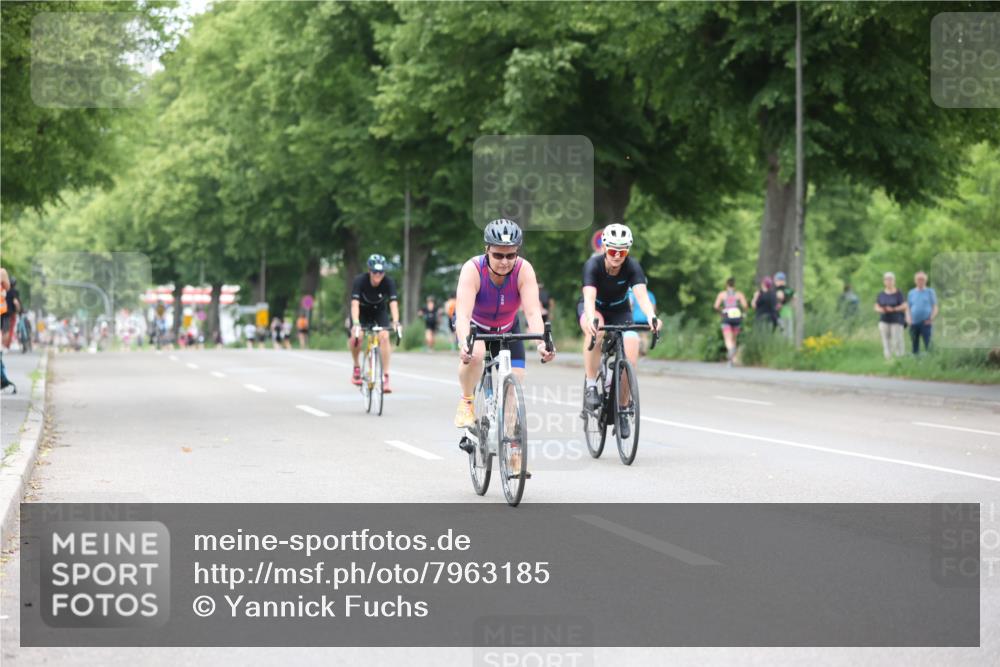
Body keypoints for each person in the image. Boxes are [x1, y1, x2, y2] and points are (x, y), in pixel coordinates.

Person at [454, 219, 555, 473]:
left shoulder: (524, 270)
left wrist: (541, 342)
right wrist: (464, 343)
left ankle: (513, 452)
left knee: (515, 384)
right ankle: (466, 402)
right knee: (475, 355)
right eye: (498, 254)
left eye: (511, 255)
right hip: (477, 328)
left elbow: (532, 313)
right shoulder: (472, 269)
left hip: (508, 329)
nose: (504, 261)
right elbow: (463, 315)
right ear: (487, 249)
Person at [579, 223, 659, 440]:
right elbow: (588, 299)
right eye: (612, 251)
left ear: (627, 252)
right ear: (604, 247)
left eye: (621, 252)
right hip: (595, 307)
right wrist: (591, 318)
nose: (616, 256)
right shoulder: (593, 265)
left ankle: (623, 409)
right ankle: (591, 384)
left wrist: (652, 317)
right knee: (596, 333)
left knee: (631, 344)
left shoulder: (632, 266)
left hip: (620, 310)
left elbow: (641, 296)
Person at [349, 254, 401, 393]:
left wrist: (396, 321)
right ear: (369, 271)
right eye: (374, 272)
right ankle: (356, 367)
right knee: (357, 337)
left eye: (381, 272)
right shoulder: (360, 281)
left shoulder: (388, 282)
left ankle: (385, 377)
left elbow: (393, 303)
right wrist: (356, 323)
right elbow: (354, 304)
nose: (378, 275)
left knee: (384, 336)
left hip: (379, 311)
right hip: (362, 311)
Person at [714, 277, 749, 366]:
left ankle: (730, 350)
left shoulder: (722, 294)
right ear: (734, 285)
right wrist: (743, 313)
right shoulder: (739, 294)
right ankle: (732, 360)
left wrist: (721, 311)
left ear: (726, 285)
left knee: (728, 339)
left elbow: (716, 306)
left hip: (726, 317)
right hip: (736, 317)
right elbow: (745, 305)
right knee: (734, 339)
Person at [875, 271, 906, 360]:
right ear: (884, 281)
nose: (889, 281)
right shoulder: (881, 294)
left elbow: (904, 305)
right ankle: (888, 359)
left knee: (896, 341)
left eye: (890, 279)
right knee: (886, 341)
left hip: (896, 320)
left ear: (894, 281)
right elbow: (876, 306)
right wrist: (881, 309)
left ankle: (899, 359)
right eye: (887, 279)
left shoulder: (898, 293)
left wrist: (894, 309)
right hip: (884, 320)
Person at [906, 270, 938, 355]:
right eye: (918, 279)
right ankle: (915, 363)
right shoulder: (911, 293)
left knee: (928, 344)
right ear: (915, 280)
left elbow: (935, 307)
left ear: (925, 280)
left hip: (926, 322)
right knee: (914, 344)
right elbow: (908, 308)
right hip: (913, 323)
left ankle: (932, 361)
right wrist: (908, 319)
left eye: (922, 279)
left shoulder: (930, 292)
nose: (920, 281)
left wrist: (931, 318)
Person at [628, 286, 658, 355]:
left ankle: (637, 351)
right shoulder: (650, 294)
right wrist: (653, 317)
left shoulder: (634, 293)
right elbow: (653, 307)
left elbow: (631, 306)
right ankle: (644, 351)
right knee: (645, 336)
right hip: (646, 318)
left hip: (635, 318)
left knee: (636, 335)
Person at [2, 275, 21, 350]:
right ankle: (5, 345)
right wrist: (18, 309)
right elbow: (15, 302)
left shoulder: (3, 291)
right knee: (8, 330)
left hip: (2, 311)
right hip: (9, 313)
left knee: (2, 329)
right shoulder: (14, 292)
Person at [773, 271, 794, 339]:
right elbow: (794, 298)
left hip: (780, 314)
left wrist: (780, 303)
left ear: (780, 280)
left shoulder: (777, 290)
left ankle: (784, 348)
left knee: (782, 334)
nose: (775, 282)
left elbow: (780, 297)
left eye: (776, 280)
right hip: (788, 313)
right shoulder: (789, 289)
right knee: (789, 334)